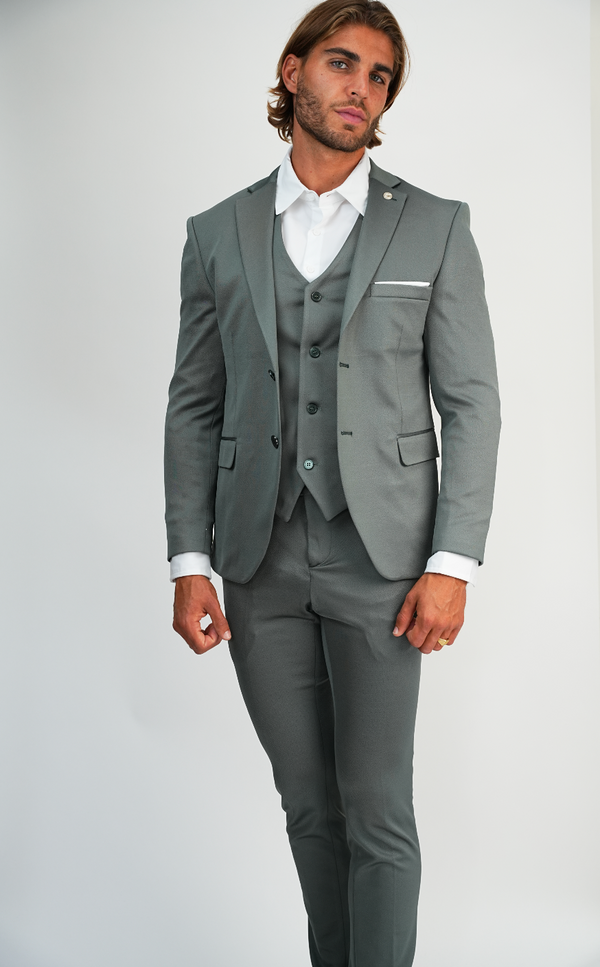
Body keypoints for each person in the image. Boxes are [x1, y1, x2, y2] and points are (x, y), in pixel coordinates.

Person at [164, 1, 500, 964]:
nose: (362, 88)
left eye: (380, 76)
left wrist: (452, 564)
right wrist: (189, 562)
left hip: (385, 563)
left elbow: (472, 403)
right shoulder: (217, 232)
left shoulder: (434, 227)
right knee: (308, 805)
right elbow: (194, 404)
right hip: (257, 558)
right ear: (294, 69)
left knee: (378, 810)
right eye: (343, 63)